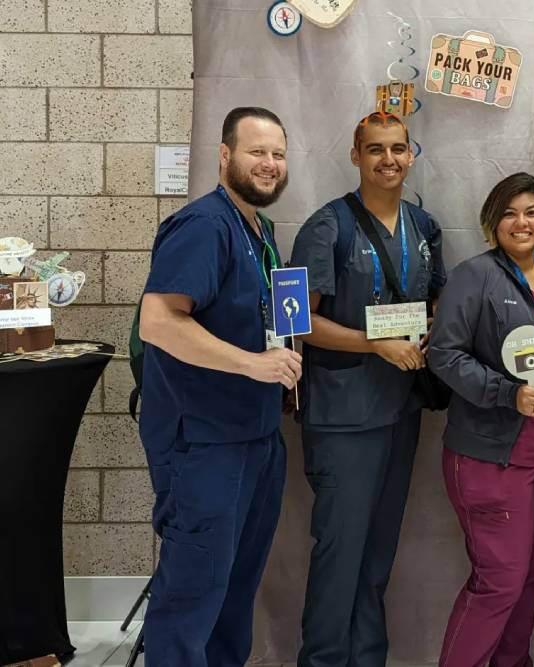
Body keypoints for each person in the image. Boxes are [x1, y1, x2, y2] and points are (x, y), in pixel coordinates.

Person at [138, 106, 301, 667]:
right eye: (257, 152)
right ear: (225, 155)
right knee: (192, 594)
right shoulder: (205, 225)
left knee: (234, 593)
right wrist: (253, 364)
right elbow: (158, 321)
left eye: (278, 154)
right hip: (204, 443)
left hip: (255, 436)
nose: (270, 164)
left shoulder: (260, 230)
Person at [291, 111, 447, 667]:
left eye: (398, 149)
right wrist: (372, 343)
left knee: (377, 553)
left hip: (399, 409)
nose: (388, 160)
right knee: (341, 552)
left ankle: (368, 657)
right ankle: (325, 659)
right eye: (375, 149)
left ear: (412, 155)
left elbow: (435, 299)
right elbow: (298, 322)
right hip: (344, 415)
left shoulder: (423, 227)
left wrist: (432, 329)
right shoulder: (326, 227)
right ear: (355, 156)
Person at [428, 173, 534, 667]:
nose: (522, 222)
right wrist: (506, 394)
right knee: (499, 583)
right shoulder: (474, 276)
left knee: (530, 579)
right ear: (492, 221)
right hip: (493, 457)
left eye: (532, 211)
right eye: (509, 212)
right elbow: (444, 356)